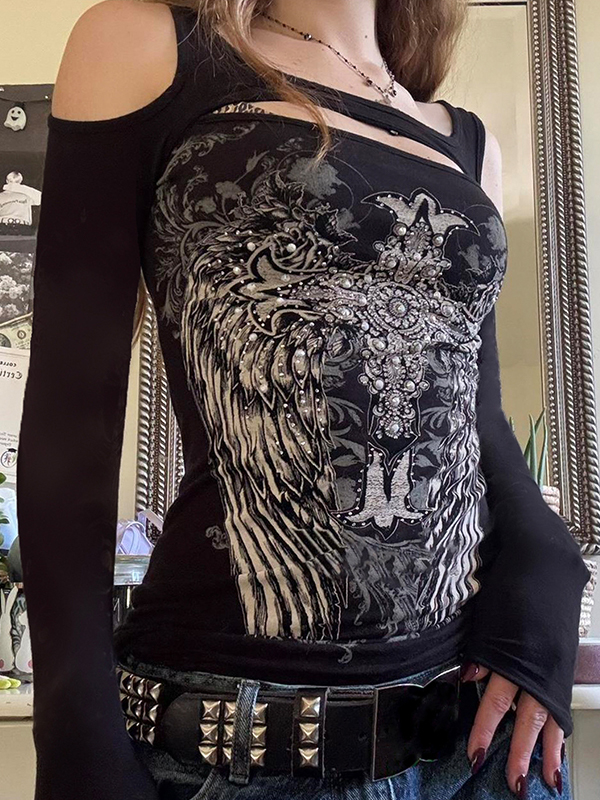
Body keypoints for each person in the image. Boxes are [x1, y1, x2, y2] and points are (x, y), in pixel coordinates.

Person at [16, 1, 591, 798]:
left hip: (474, 741)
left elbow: (479, 420)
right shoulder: (150, 49)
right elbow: (70, 423)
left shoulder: (466, 141)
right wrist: (78, 746)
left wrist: (547, 572)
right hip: (241, 741)